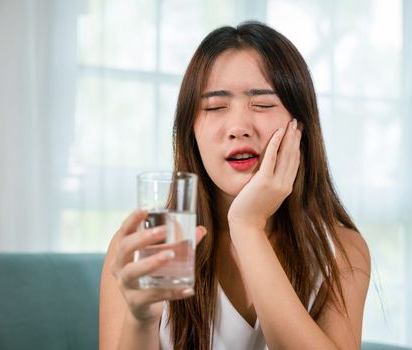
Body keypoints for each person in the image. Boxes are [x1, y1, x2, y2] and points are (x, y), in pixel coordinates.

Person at [99, 21, 371, 350]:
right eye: (215, 107)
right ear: (191, 133)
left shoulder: (340, 250)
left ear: (301, 126)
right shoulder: (147, 246)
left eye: (263, 104)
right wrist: (141, 317)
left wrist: (247, 224)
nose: (238, 127)